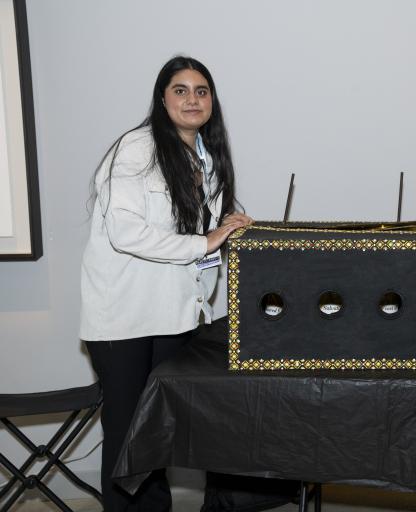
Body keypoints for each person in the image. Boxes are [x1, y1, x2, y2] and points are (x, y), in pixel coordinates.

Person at [80, 56, 253, 511]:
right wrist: (205, 240)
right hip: (125, 317)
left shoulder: (208, 159)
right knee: (128, 436)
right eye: (180, 90)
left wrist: (229, 230)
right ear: (162, 99)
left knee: (158, 434)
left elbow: (202, 242)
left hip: (178, 314)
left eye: (201, 91)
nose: (192, 99)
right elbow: (126, 232)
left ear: (211, 101)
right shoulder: (136, 149)